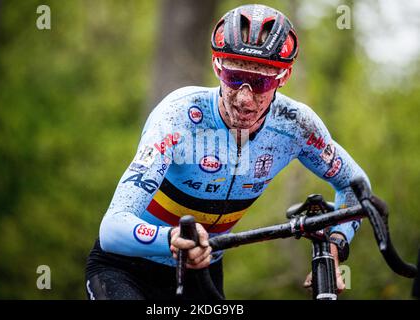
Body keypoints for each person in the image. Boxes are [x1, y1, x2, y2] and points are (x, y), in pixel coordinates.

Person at [85, 4, 370, 300]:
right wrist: (170, 239)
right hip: (126, 269)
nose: (244, 99)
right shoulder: (178, 116)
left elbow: (355, 186)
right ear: (217, 66)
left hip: (202, 271)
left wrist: (335, 246)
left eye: (261, 82)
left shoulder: (295, 125)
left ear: (283, 77)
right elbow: (112, 229)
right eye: (234, 78)